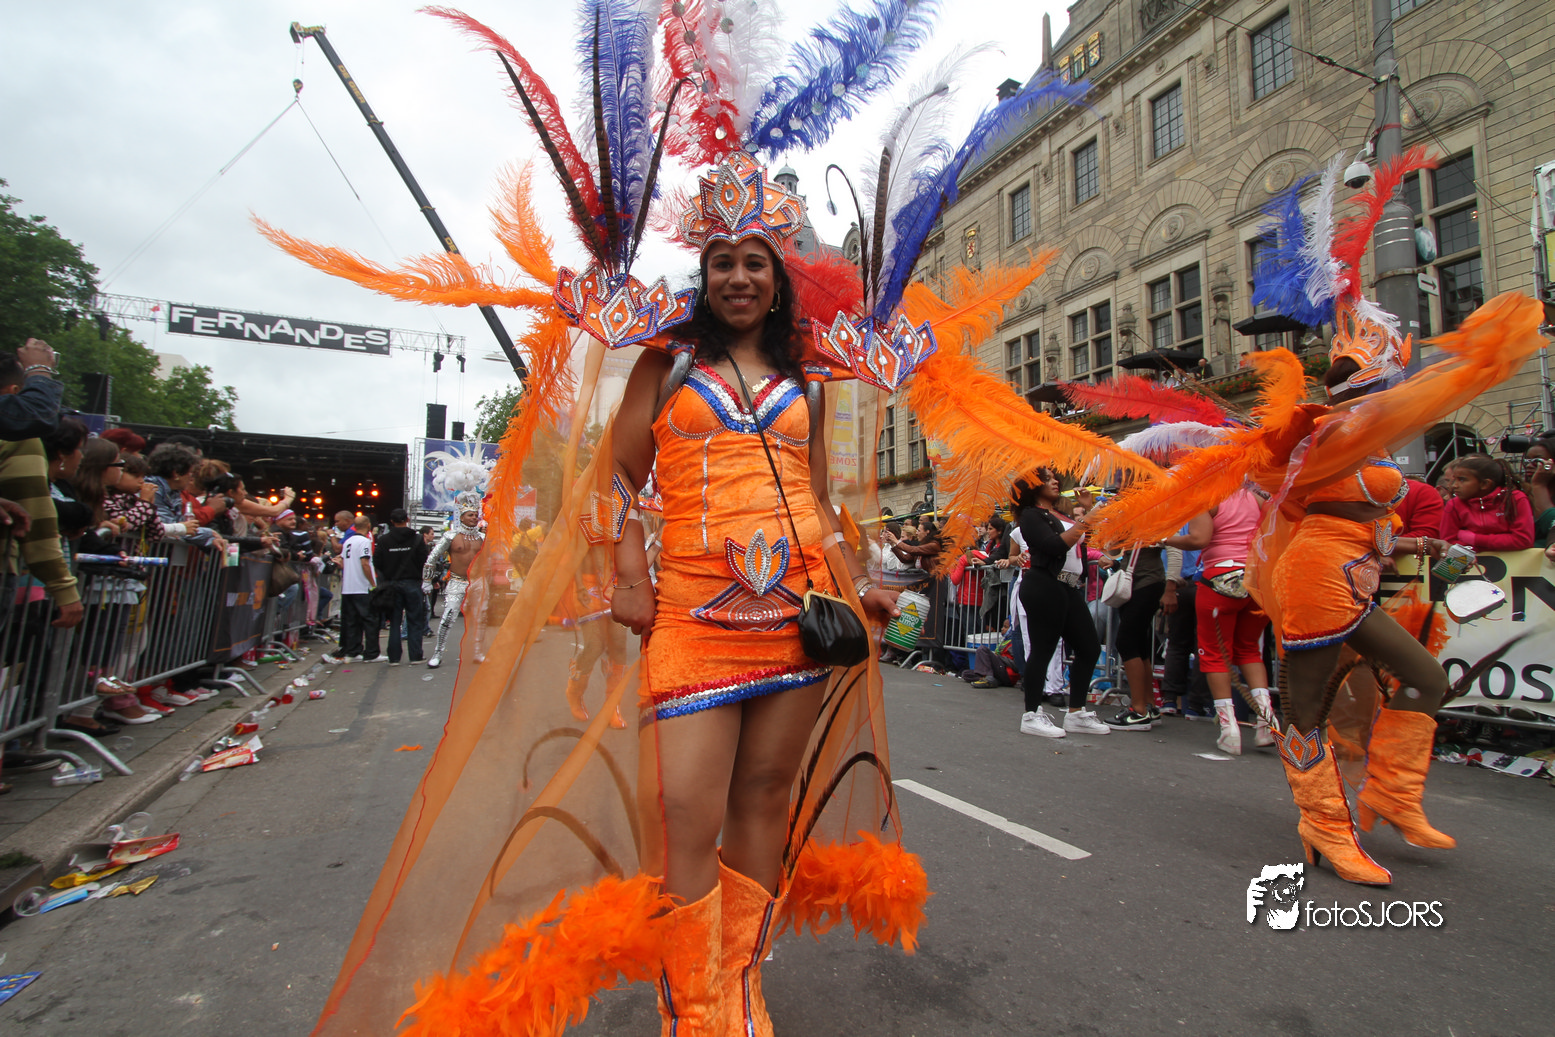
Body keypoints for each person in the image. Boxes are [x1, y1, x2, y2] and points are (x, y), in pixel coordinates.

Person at [606, 164, 902, 1032]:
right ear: (703, 274)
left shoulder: (806, 378)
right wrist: (628, 575)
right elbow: (614, 478)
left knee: (767, 796)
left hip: (792, 618)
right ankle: (692, 1004)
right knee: (686, 810)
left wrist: (857, 584)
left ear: (778, 279)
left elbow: (818, 500)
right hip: (691, 615)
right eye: (722, 262)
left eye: (755, 263)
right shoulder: (666, 361)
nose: (738, 277)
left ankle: (737, 984)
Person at [1157, 490, 1273, 752]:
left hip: (1220, 579)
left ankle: (1229, 729)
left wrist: (1162, 538)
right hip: (1257, 579)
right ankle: (1267, 722)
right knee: (1249, 650)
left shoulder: (1207, 499)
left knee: (1213, 654)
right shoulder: (1256, 498)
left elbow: (1198, 538)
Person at [1012, 470, 1108, 738]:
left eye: (1055, 477)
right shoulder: (1031, 515)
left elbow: (1079, 544)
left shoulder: (1058, 515)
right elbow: (1055, 546)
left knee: (1089, 647)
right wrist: (1087, 518)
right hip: (1044, 584)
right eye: (1047, 478)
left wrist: (1087, 511)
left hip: (1068, 586)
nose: (1055, 481)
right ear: (1033, 485)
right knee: (1043, 650)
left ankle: (1076, 713)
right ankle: (1031, 714)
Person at [1101, 536, 1166, 732]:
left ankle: (1138, 710)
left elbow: (1174, 549)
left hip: (1147, 582)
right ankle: (1148, 705)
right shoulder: (1133, 521)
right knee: (1139, 644)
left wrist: (1171, 586)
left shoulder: (1153, 522)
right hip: (1137, 582)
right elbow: (1112, 549)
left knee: (1126, 641)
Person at [421, 492, 486, 669]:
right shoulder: (450, 536)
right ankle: (438, 653)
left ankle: (478, 651)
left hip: (477, 583)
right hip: (457, 581)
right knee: (448, 618)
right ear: (462, 517)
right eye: (470, 515)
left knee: (480, 618)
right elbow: (432, 558)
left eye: (476, 515)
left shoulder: (482, 538)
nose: (474, 518)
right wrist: (427, 580)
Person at [1438, 453, 1535, 551]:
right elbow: (1448, 543)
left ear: (1485, 484)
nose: (1454, 485)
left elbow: (1523, 540)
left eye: (1462, 480)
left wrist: (1475, 539)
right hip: (1470, 560)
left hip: (1512, 560)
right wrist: (1498, 543)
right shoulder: (1454, 504)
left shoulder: (1515, 498)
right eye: (1454, 480)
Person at [373, 508, 428, 665]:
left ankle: (394, 657)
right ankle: (416, 655)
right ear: (407, 519)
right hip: (412, 582)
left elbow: (377, 562)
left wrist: (388, 573)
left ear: (392, 521)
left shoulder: (384, 540)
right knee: (414, 620)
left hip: (392, 583)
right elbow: (424, 559)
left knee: (395, 621)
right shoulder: (417, 539)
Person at [327, 516, 382, 663]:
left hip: (348, 587)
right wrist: (373, 583)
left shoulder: (348, 542)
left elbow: (344, 562)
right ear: (368, 525)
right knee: (370, 620)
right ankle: (372, 653)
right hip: (361, 586)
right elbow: (365, 563)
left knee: (352, 621)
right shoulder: (364, 541)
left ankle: (353, 650)